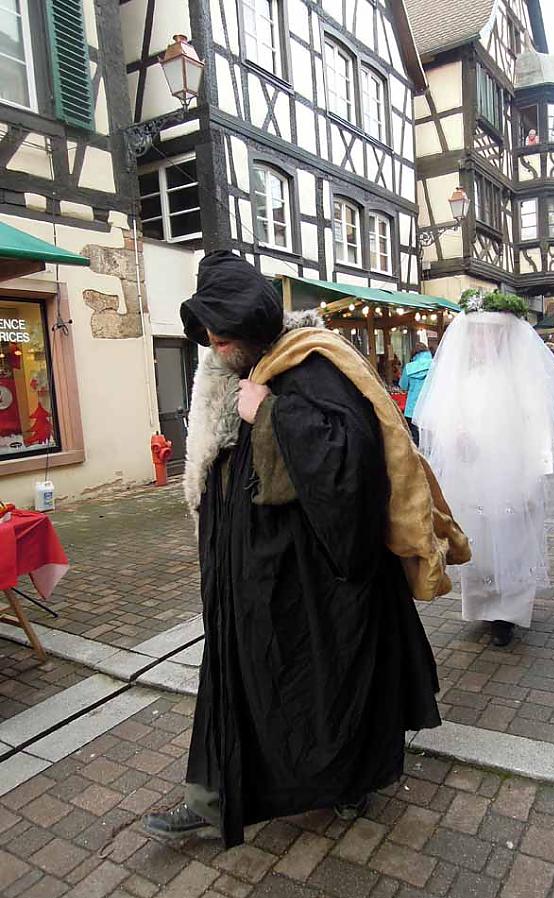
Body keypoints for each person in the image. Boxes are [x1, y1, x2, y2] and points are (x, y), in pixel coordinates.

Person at [143, 251, 469, 847]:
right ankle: (213, 795)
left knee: (325, 686)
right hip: (246, 579)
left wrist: (270, 414)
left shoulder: (313, 364)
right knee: (241, 683)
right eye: (208, 333)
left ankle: (345, 782)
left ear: (251, 326)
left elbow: (353, 461)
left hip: (317, 582)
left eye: (223, 332)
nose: (215, 344)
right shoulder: (224, 373)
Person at [414, 294, 554, 647]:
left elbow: (540, 424)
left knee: (513, 537)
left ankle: (508, 612)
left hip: (513, 472)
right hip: (472, 472)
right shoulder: (462, 376)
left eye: (488, 334)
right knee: (479, 538)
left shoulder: (521, 375)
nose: (481, 341)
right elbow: (440, 416)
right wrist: (454, 436)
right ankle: (482, 606)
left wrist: (538, 468)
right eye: (477, 334)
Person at [399, 342, 433, 444]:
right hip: (430, 409)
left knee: (415, 440)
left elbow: (403, 385)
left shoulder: (409, 367)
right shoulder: (434, 365)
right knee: (430, 441)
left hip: (412, 410)